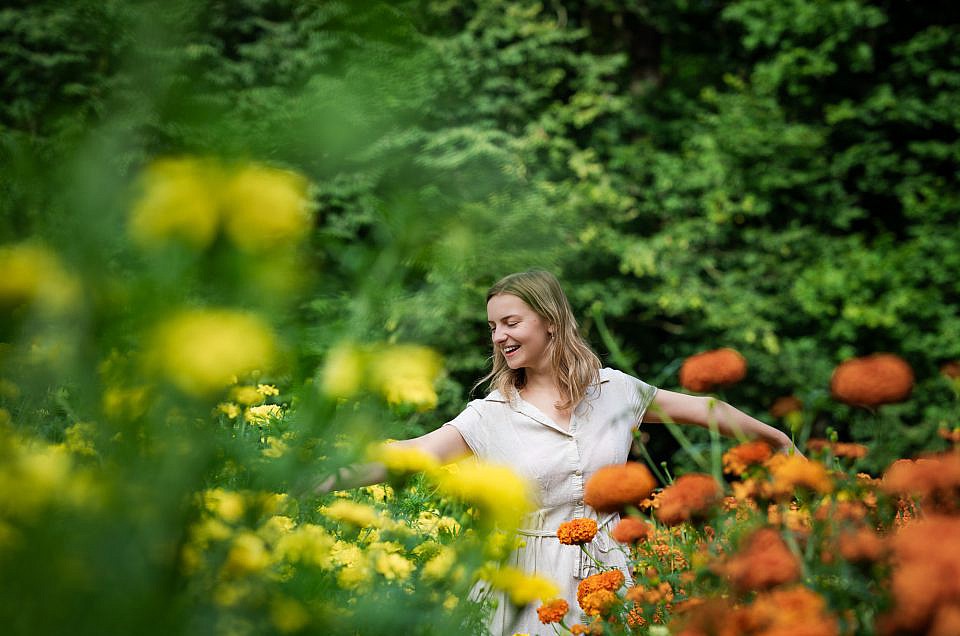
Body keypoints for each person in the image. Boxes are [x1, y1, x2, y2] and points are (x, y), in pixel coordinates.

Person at [325, 270, 796, 635]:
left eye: (511, 322)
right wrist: (318, 475)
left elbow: (702, 409)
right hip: (524, 582)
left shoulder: (615, 390)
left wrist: (775, 438)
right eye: (493, 326)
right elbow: (410, 453)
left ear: (550, 321)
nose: (498, 337)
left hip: (607, 567)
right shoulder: (489, 415)